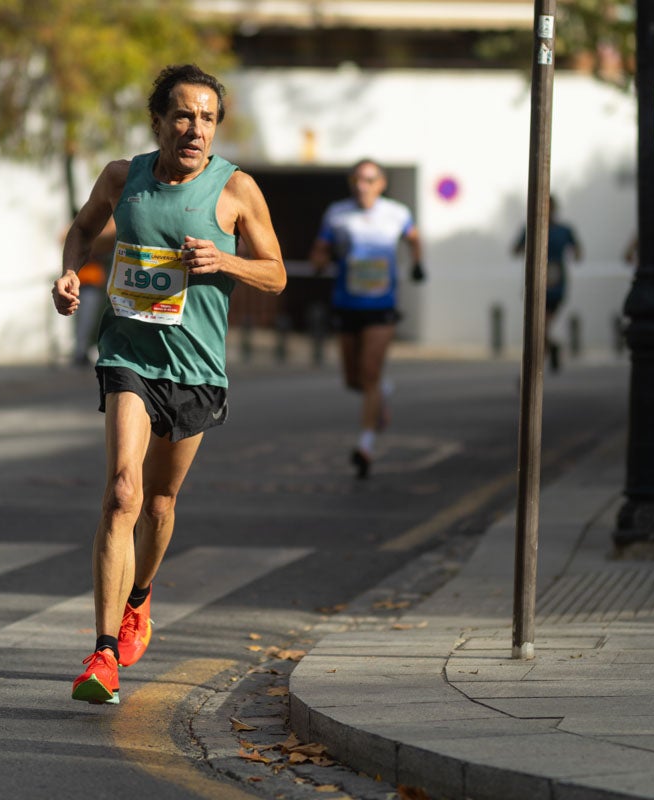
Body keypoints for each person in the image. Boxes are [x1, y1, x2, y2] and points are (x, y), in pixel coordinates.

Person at [51, 64, 286, 705]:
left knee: (159, 505)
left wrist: (224, 259)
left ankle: (139, 597)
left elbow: (277, 275)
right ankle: (102, 655)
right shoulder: (121, 178)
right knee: (122, 493)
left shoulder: (236, 189)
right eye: (183, 115)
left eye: (208, 117)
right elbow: (80, 228)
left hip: (197, 370)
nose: (196, 129)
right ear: (158, 122)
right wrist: (71, 273)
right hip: (128, 355)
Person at [310, 159, 424, 480]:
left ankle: (365, 445)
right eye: (358, 179)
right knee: (353, 380)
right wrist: (320, 259)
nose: (364, 185)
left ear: (381, 183)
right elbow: (320, 248)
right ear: (352, 182)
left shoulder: (397, 213)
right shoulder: (337, 214)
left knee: (370, 374)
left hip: (381, 305)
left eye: (370, 179)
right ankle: (382, 394)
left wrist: (417, 263)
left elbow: (414, 238)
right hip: (346, 303)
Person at [512, 195, 582, 373]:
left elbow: (578, 251)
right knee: (538, 329)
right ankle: (542, 360)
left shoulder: (564, 230)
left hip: (555, 284)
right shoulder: (530, 227)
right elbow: (515, 250)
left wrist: (575, 253)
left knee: (541, 327)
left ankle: (533, 371)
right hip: (534, 283)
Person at [71, 217, 116, 366]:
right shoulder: (85, 229)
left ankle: (83, 350)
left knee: (89, 319)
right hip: (85, 283)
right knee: (85, 320)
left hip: (94, 282)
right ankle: (81, 352)